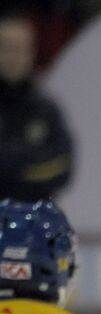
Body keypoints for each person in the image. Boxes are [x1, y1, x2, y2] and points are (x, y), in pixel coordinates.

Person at [0, 15, 73, 202]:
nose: (13, 57)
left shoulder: (46, 110)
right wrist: (27, 160)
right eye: (6, 48)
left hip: (34, 216)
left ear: (31, 53)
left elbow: (62, 167)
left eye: (20, 49)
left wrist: (11, 169)